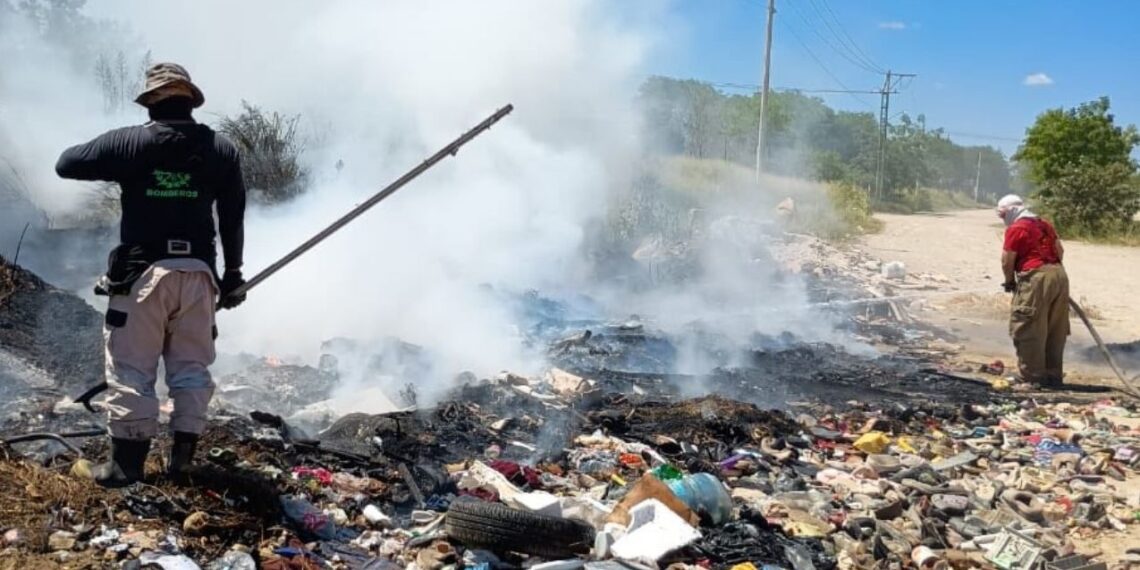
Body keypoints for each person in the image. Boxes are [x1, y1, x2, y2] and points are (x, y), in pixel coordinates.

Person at [56, 63, 247, 487]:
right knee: (192, 368)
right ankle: (182, 461)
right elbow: (232, 215)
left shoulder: (132, 142)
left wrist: (124, 158)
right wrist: (233, 274)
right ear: (189, 101)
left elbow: (66, 164)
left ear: (150, 103)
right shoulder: (222, 150)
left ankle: (125, 467)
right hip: (199, 276)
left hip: (142, 275)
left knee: (132, 370)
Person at [996, 194, 1069, 388]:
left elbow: (1007, 260)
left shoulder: (1016, 228)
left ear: (1011, 210)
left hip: (1035, 277)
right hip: (1059, 275)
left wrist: (1010, 281)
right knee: (1055, 328)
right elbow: (1059, 250)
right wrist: (1052, 273)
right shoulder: (1044, 224)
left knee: (1027, 325)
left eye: (1003, 215)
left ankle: (1032, 377)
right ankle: (1053, 375)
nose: (1003, 220)